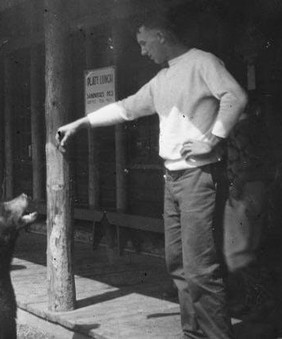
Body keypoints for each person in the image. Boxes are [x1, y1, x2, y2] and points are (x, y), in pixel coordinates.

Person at [56, 11, 247, 339]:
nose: (142, 51)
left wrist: (212, 139)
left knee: (201, 270)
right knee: (178, 267)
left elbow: (236, 97)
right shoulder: (163, 79)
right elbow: (126, 107)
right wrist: (81, 123)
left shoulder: (203, 62)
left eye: (144, 42)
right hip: (172, 179)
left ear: (161, 35)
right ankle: (194, 334)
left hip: (198, 177)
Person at [223, 96, 277, 319]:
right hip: (259, 189)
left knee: (237, 252)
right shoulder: (255, 127)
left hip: (246, 191)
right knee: (249, 248)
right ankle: (257, 301)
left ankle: (259, 301)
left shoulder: (241, 129)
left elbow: (250, 161)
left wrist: (237, 183)